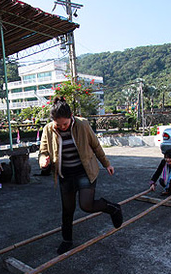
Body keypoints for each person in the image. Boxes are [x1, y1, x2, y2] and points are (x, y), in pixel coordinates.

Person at [39, 97, 123, 255]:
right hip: (65, 174)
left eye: (65, 123)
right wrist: (43, 160)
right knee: (67, 209)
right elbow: (43, 150)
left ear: (71, 116)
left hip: (84, 171)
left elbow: (95, 145)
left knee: (86, 205)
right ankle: (67, 240)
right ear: (53, 122)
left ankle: (113, 208)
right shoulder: (48, 130)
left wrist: (107, 164)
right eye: (59, 125)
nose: (63, 127)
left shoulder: (82, 124)